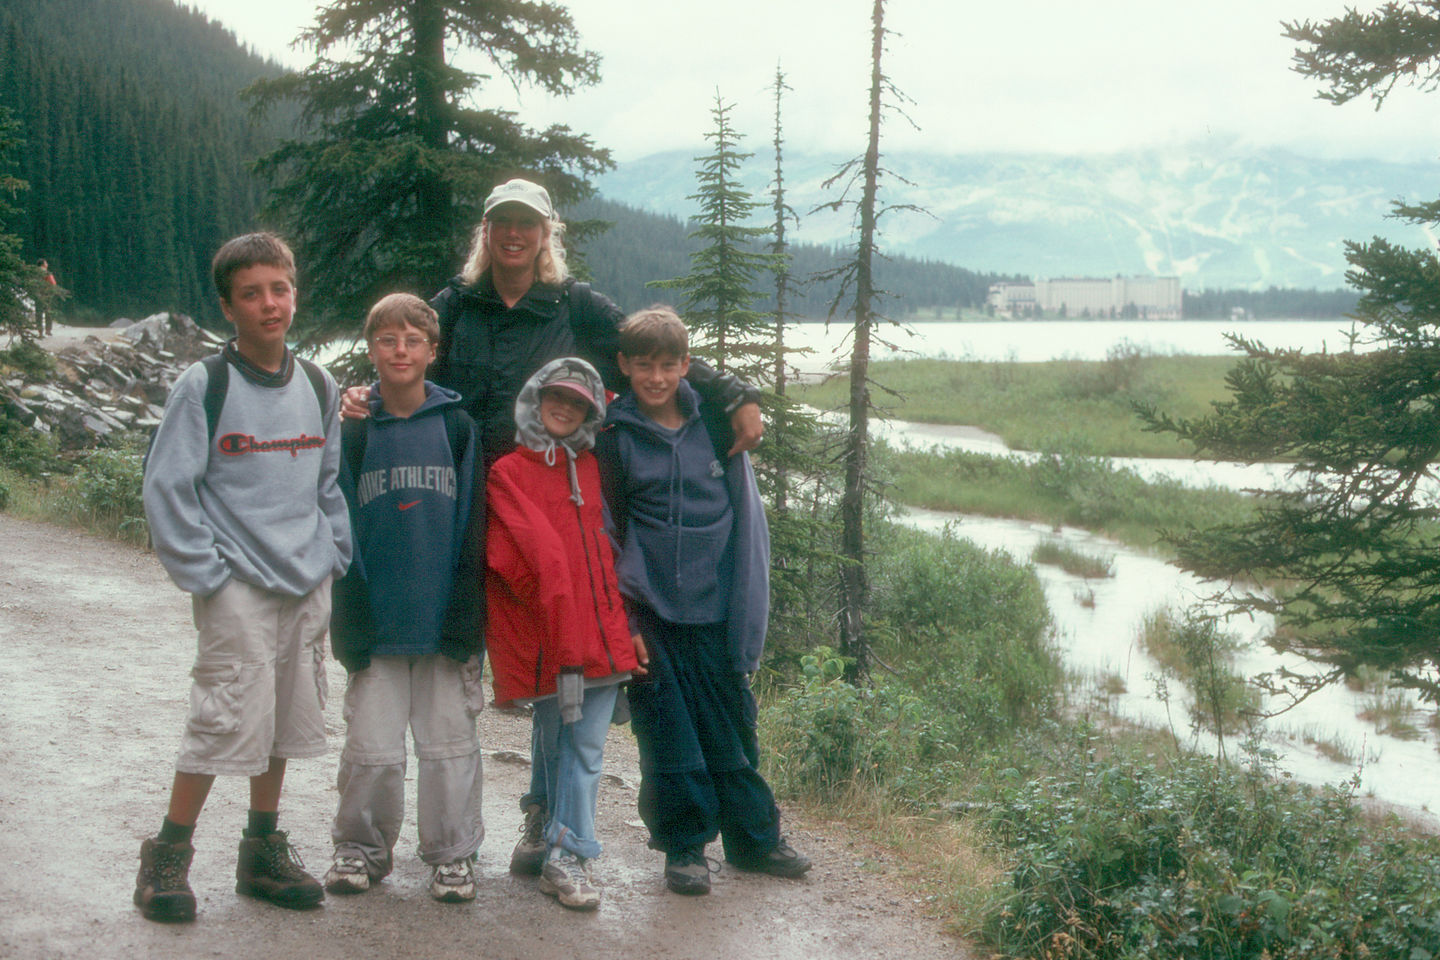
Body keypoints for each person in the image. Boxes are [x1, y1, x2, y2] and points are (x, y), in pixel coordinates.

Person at [338, 175, 765, 873]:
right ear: (487, 231)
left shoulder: (574, 304)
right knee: (479, 647)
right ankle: (437, 825)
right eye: (502, 221)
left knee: (551, 653)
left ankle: (541, 812)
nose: (514, 234)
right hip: (468, 499)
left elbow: (649, 349)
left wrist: (732, 393)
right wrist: (361, 393)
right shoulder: (458, 302)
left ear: (546, 234)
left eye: (528, 223)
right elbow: (405, 349)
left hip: (548, 499)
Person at [136, 232, 352, 923]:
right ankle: (168, 857)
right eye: (252, 293)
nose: (269, 305)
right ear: (228, 306)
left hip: (304, 579)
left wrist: (333, 553)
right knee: (221, 717)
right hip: (237, 585)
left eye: (279, 289)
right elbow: (168, 488)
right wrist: (209, 577)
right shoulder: (207, 385)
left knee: (287, 719)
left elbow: (327, 483)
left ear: (295, 292)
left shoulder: (319, 384)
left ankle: (261, 849)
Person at [595, 305, 810, 896]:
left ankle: (753, 839)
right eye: (644, 366)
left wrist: (748, 614)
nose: (656, 377)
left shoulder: (717, 426)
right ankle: (685, 848)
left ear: (687, 366)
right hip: (651, 610)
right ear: (624, 367)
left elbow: (747, 523)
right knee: (667, 734)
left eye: (668, 365)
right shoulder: (612, 440)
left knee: (732, 730)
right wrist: (625, 619)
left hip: (717, 608)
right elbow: (608, 534)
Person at [323, 293, 486, 903]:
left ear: (432, 351)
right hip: (378, 622)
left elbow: (474, 525)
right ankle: (359, 850)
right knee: (370, 750)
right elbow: (338, 522)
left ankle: (452, 856)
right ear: (371, 348)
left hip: (441, 621)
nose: (400, 350)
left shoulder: (457, 427)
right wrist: (349, 612)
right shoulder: (356, 430)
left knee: (450, 747)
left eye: (413, 340)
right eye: (388, 339)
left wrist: (467, 616)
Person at [485, 357, 642, 910]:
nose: (564, 407)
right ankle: (557, 843)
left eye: (577, 403)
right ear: (535, 398)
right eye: (556, 397)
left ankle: (566, 853)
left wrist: (627, 628)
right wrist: (557, 617)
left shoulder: (599, 469)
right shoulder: (508, 471)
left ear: (590, 412)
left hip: (603, 639)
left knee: (586, 748)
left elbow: (616, 552)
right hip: (553, 645)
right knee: (560, 746)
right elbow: (510, 559)